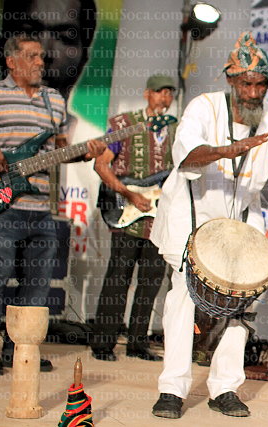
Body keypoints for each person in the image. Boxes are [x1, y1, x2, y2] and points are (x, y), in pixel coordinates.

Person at [149, 32, 268, 419]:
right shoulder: (204, 108)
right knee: (183, 297)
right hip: (192, 213)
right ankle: (172, 389)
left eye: (260, 84)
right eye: (245, 84)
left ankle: (225, 387)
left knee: (246, 302)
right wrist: (226, 150)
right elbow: (185, 158)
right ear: (231, 81)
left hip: (241, 220)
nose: (253, 93)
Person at [0, 35, 105, 376]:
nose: (41, 62)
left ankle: (21, 349)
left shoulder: (53, 100)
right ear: (12, 61)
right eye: (32, 56)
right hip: (2, 207)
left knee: (37, 284)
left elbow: (59, 148)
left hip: (41, 208)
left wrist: (83, 153)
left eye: (41, 56)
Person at [89, 75, 177, 362]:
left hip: (159, 217)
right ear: (147, 93)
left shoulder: (176, 128)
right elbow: (102, 164)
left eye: (169, 93)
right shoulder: (124, 124)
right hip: (127, 211)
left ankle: (138, 343)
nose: (165, 97)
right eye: (160, 92)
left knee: (151, 282)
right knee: (118, 279)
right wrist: (128, 193)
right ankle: (103, 343)